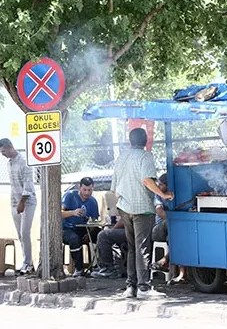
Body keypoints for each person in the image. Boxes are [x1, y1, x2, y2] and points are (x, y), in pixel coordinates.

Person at [111, 128, 174, 299]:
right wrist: (164, 195)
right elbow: (147, 180)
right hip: (142, 209)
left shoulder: (121, 157)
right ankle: (144, 288)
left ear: (130, 141)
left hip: (124, 207)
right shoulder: (146, 156)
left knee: (132, 247)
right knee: (143, 248)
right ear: (145, 140)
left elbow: (114, 189)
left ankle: (131, 287)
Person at [0, 138, 36, 275]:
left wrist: (22, 203)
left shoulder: (24, 162)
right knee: (20, 234)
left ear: (10, 147)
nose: (3, 154)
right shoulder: (9, 163)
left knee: (25, 232)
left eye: (4, 151)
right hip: (14, 201)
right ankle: (27, 261)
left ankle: (28, 263)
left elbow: (28, 185)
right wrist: (16, 203)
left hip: (27, 202)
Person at [62, 177, 100, 277]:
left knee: (102, 235)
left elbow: (94, 220)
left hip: (83, 228)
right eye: (84, 190)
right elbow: (59, 213)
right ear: (79, 187)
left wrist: (90, 233)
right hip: (67, 228)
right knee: (74, 239)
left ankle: (100, 266)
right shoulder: (69, 196)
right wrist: (73, 212)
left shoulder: (93, 201)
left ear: (93, 188)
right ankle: (79, 269)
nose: (87, 193)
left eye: (89, 190)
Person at [150, 174, 185, 283]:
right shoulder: (158, 195)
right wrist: (175, 219)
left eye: (161, 185)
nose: (158, 187)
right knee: (170, 224)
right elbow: (160, 213)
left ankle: (177, 272)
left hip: (173, 230)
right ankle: (169, 264)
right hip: (158, 229)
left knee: (176, 236)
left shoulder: (177, 195)